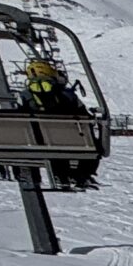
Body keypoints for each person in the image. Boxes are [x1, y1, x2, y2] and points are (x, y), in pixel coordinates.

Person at [24, 59, 100, 189]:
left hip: (37, 141)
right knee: (93, 145)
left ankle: (59, 174)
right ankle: (81, 174)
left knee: (52, 143)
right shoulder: (66, 95)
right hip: (72, 141)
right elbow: (85, 116)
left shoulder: (25, 96)